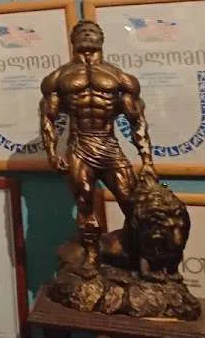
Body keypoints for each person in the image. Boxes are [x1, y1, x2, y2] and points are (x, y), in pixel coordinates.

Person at [39, 20, 156, 263]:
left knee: (132, 203)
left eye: (92, 31)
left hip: (109, 145)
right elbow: (48, 117)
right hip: (79, 146)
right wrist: (51, 152)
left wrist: (147, 161)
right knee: (84, 203)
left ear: (102, 39)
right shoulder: (58, 78)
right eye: (82, 31)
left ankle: (138, 255)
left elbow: (137, 119)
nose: (87, 34)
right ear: (73, 40)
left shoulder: (120, 78)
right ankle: (91, 256)